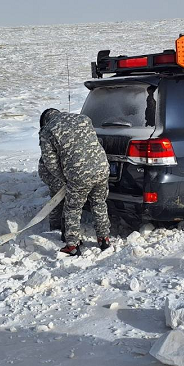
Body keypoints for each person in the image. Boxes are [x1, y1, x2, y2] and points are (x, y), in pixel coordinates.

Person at [38, 108, 112, 256]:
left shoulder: (47, 130)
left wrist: (65, 177)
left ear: (44, 121)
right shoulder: (83, 119)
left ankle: (72, 245)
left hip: (79, 173)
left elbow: (50, 163)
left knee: (73, 208)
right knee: (99, 203)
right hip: (102, 167)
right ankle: (104, 239)